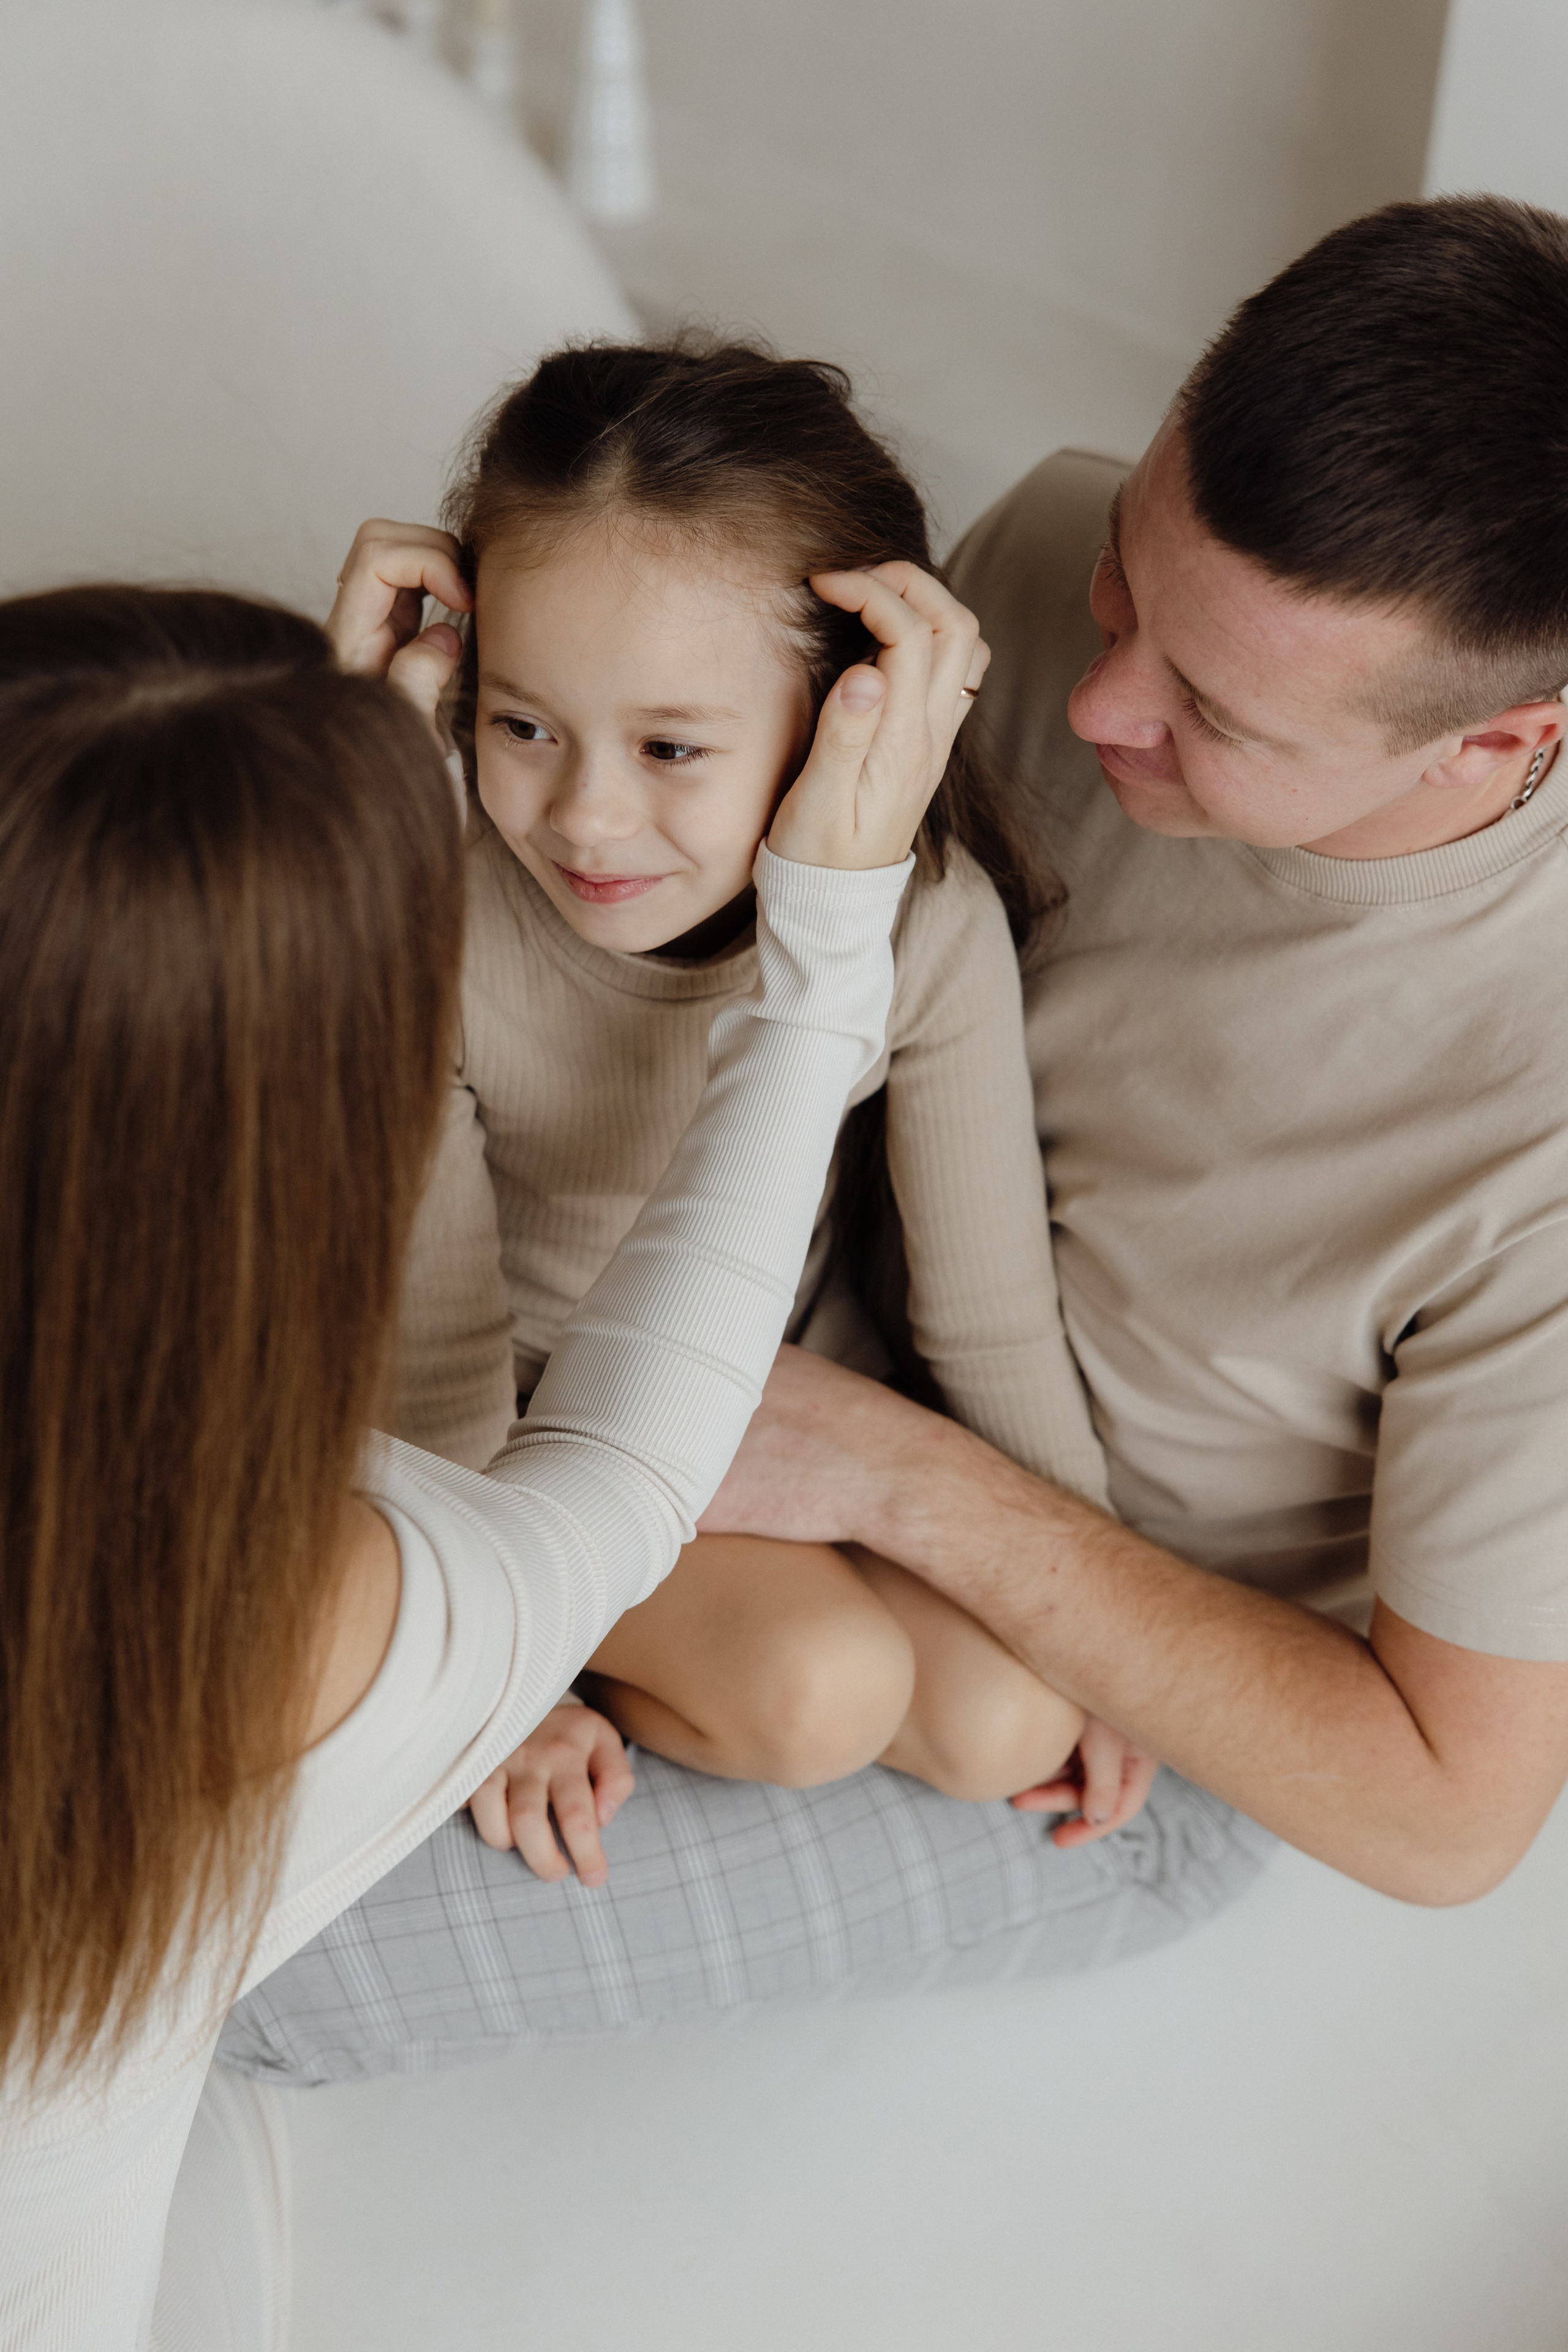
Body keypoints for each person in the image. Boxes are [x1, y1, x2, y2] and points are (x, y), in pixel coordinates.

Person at [216, 193, 1568, 2097]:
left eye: (1209, 714)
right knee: (199, 1892)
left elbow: (1446, 1820)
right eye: (1119, 582)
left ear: (1497, 746)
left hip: (1138, 1682)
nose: (1082, 706)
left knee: (239, 1957)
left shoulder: (1542, 1136)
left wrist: (903, 1484)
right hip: (695, 1409)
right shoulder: (979, 596)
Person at [0, 561, 969, 2344]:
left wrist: (298, 786)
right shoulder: (340, 1628)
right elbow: (635, 1449)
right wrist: (832, 928)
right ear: (347, 1114)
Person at [331, 337, 1133, 1833]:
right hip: (517, 1433)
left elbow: (984, 1311)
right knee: (816, 1687)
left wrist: (1103, 1624)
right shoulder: (428, 899)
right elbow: (432, 1348)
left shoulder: (924, 923)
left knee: (1009, 1709)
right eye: (523, 726)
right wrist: (493, 1678)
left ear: (848, 715)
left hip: (776, 1416)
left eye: (671, 746)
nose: (586, 814)